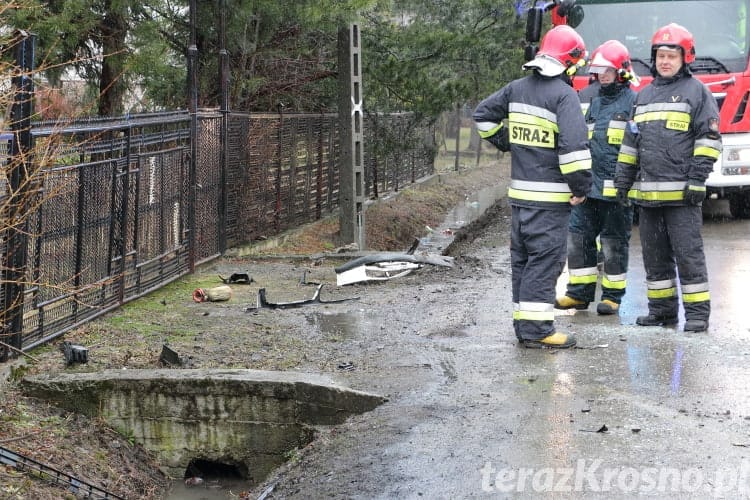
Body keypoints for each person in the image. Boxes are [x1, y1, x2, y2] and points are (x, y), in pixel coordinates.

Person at [473, 25, 592, 349]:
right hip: (551, 201)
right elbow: (574, 152)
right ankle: (538, 331)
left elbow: (482, 116)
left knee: (523, 263)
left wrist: (507, 142)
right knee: (545, 262)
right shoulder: (564, 96)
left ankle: (524, 327)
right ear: (570, 62)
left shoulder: (516, 88)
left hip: (521, 200)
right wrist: (581, 187)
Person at [613, 23, 721, 332]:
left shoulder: (697, 92)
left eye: (671, 55)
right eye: (660, 55)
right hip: (648, 198)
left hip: (682, 198)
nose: (665, 61)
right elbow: (630, 143)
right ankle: (662, 312)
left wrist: (698, 180)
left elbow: (709, 139)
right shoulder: (643, 96)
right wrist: (623, 182)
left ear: (685, 57)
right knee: (654, 259)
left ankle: (697, 315)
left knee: (689, 257)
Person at [555, 40, 638, 316]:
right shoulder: (586, 97)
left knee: (614, 243)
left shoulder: (633, 101)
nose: (603, 75)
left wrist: (628, 184)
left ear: (621, 71)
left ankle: (613, 296)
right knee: (579, 239)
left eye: (608, 71)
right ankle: (578, 294)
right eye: (599, 70)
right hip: (587, 186)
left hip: (617, 189)